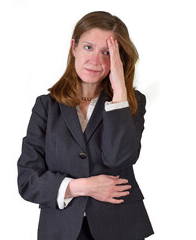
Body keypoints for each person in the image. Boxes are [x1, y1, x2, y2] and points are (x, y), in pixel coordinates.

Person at [17, 11, 153, 240]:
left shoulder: (131, 102)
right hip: (61, 230)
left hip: (120, 228)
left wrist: (120, 92)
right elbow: (28, 181)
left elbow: (118, 158)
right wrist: (84, 187)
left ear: (120, 59)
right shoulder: (46, 106)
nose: (95, 60)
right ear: (74, 47)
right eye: (88, 47)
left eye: (107, 52)